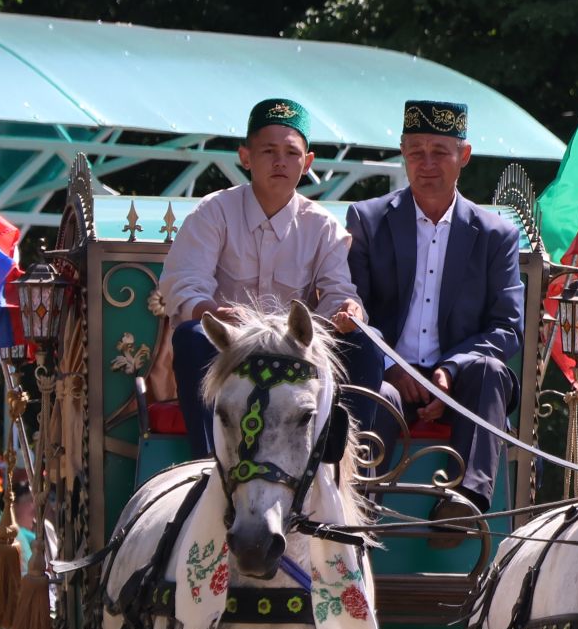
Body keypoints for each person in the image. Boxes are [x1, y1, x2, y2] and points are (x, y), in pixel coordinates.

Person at [347, 100, 525, 538]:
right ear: (402, 154)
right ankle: (356, 514)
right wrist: (391, 365)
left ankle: (464, 505)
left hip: (458, 376)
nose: (427, 164)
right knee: (379, 393)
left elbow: (508, 325)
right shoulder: (367, 220)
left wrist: (449, 370)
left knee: (490, 372)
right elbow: (350, 308)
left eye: (440, 152)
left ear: (463, 156)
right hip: (387, 371)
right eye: (416, 151)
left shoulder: (496, 235)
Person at [157, 98, 367, 459]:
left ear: (308, 163)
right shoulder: (213, 212)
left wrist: (347, 311)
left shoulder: (322, 227)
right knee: (192, 336)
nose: (280, 162)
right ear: (246, 157)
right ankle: (206, 463)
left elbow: (337, 291)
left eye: (291, 153)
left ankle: (344, 470)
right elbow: (182, 283)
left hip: (294, 355)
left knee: (365, 344)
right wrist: (212, 311)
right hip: (229, 348)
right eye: (268, 151)